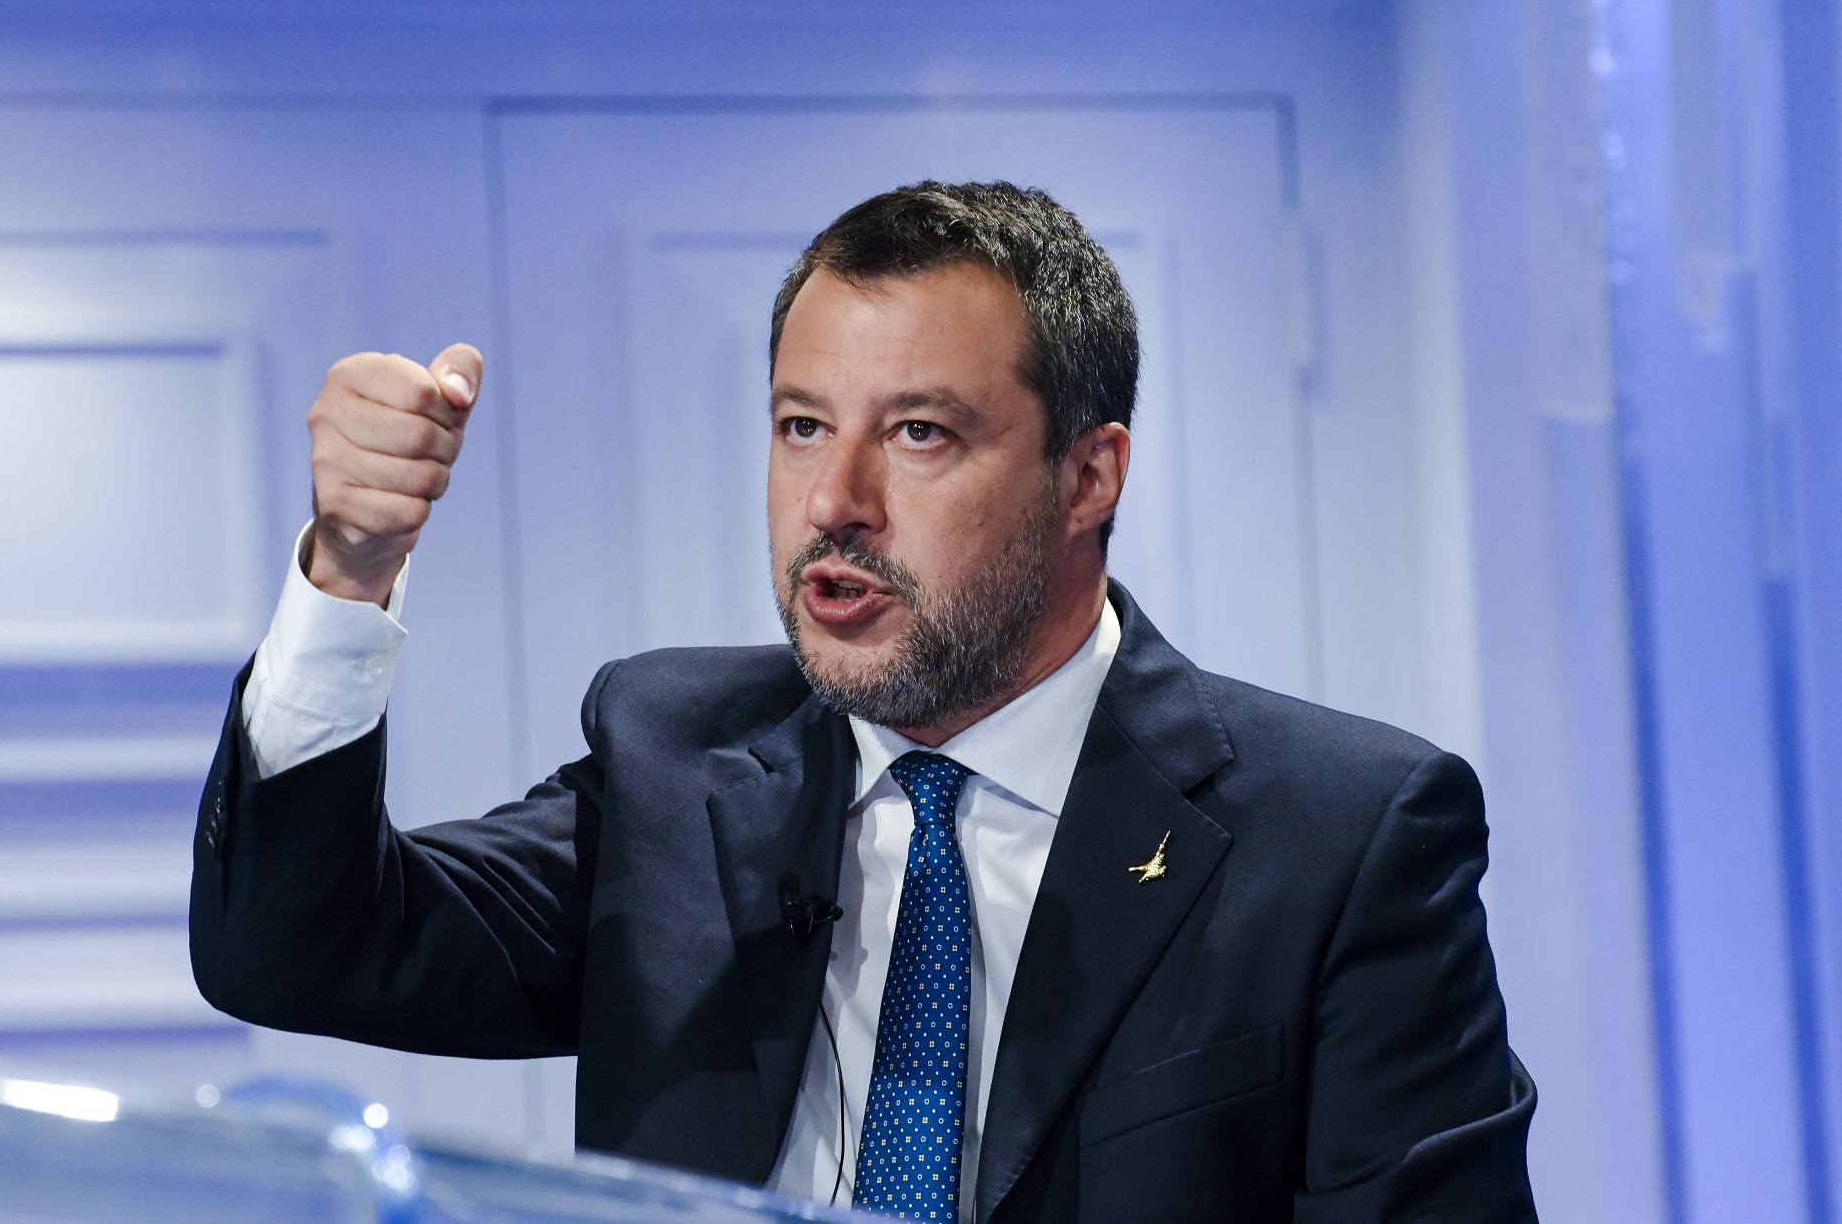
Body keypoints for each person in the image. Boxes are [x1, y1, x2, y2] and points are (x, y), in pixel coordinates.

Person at [191, 181, 1537, 1224]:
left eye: (919, 433)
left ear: (1090, 476)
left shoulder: (1343, 835)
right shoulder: (678, 763)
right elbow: (294, 951)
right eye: (802, 426)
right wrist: (350, 571)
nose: (834, 503)